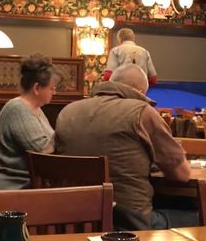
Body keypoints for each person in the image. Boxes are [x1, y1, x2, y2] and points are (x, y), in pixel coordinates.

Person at [55, 64, 193, 230]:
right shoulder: (142, 112)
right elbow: (182, 175)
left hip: (72, 221)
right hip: (127, 223)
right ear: (140, 92)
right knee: (205, 214)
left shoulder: (67, 112)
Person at [0, 55, 62, 190]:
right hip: (13, 188)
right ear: (37, 88)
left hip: (31, 186)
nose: (54, 92)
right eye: (51, 88)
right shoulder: (18, 108)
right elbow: (42, 151)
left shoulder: (36, 108)